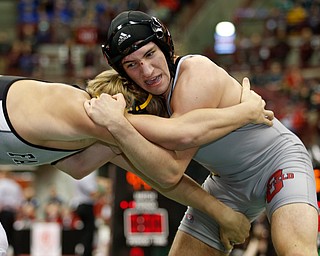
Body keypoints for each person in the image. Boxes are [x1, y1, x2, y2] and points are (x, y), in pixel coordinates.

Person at [84, 10, 318, 255]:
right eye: (132, 65)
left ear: (165, 47)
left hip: (278, 163)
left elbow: (173, 166)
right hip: (228, 184)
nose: (147, 71)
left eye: (150, 54)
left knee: (295, 250)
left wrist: (119, 119)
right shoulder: (148, 105)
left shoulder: (194, 72)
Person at [0, 72, 272, 254]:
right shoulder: (82, 110)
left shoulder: (102, 139)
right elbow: (174, 154)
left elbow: (158, 178)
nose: (152, 141)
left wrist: (221, 213)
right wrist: (242, 113)